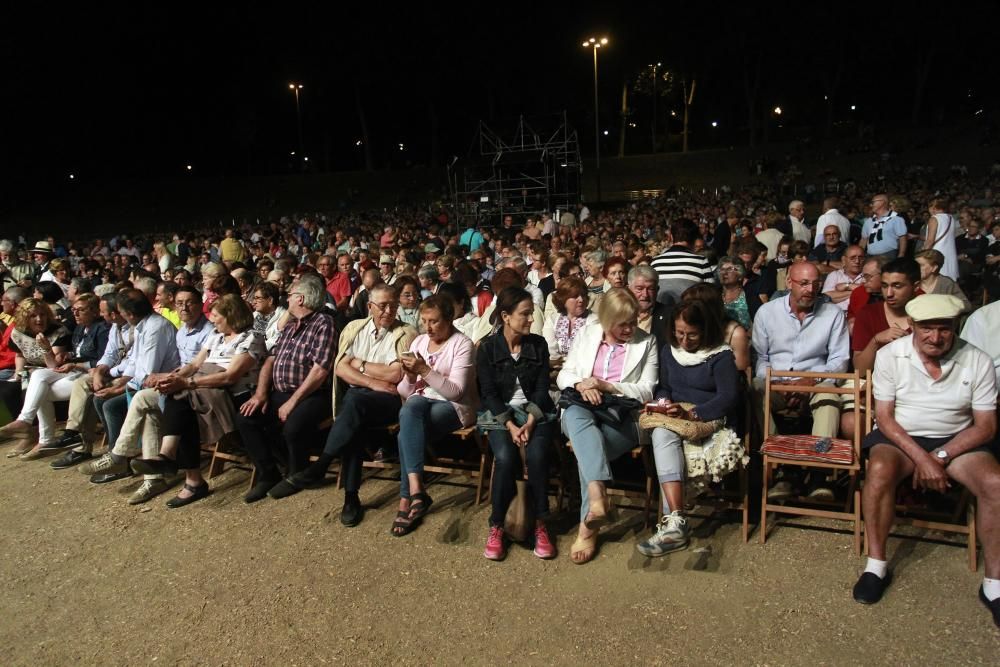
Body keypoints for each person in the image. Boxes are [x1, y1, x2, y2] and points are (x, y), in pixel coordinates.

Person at [853, 294, 1000, 628]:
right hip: (901, 437)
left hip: (957, 439)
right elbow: (885, 419)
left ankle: (995, 584)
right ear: (913, 327)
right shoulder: (892, 355)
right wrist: (923, 459)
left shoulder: (977, 360)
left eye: (944, 329)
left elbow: (986, 426)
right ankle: (876, 565)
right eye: (928, 329)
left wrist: (940, 456)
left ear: (956, 327)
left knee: (996, 483)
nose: (936, 337)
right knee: (878, 471)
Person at [264, 284, 414, 519]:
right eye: (383, 306)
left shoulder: (406, 332)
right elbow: (340, 367)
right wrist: (371, 380)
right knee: (355, 417)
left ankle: (324, 469)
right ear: (369, 307)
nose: (388, 311)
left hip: (391, 401)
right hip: (364, 397)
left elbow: (395, 375)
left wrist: (359, 364)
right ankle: (349, 498)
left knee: (353, 405)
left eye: (393, 306)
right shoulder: (355, 328)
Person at [130, 294, 265, 507]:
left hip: (230, 393)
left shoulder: (251, 338)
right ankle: (177, 466)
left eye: (217, 318)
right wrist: (176, 377)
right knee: (179, 400)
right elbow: (194, 365)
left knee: (180, 400)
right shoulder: (215, 335)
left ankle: (185, 473)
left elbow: (230, 376)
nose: (213, 321)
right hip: (201, 386)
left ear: (232, 316)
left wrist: (186, 383)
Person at [557, 288, 658, 564]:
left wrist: (606, 385)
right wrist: (581, 384)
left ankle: (591, 513)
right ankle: (593, 507)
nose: (630, 328)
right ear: (606, 321)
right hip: (583, 408)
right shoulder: (588, 334)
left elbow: (647, 389)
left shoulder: (646, 342)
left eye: (633, 321)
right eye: (623, 323)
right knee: (577, 416)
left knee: (588, 446)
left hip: (621, 416)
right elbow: (565, 374)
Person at [637, 299, 740, 556]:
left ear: (706, 330)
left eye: (692, 334)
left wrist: (694, 413)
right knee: (662, 431)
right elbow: (664, 387)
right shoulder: (669, 352)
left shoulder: (720, 356)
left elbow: (728, 397)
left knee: (663, 436)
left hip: (708, 417)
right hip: (677, 414)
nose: (684, 340)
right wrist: (663, 403)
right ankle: (676, 521)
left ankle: (673, 525)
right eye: (679, 333)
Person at [752, 262, 850, 500]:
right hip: (778, 382)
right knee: (755, 388)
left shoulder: (833, 314)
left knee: (829, 395)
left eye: (815, 284)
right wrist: (779, 383)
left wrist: (810, 382)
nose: (810, 289)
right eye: (803, 283)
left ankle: (818, 472)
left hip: (817, 382)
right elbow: (761, 358)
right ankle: (783, 463)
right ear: (789, 283)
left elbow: (839, 360)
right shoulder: (767, 312)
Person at [477, 287, 558, 560]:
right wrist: (511, 425)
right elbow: (488, 394)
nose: (530, 320)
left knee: (537, 455)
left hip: (535, 412)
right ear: (505, 316)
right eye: (524, 314)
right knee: (505, 456)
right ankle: (497, 523)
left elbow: (541, 389)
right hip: (501, 415)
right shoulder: (487, 348)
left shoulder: (538, 345)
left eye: (531, 314)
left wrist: (532, 420)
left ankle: (539, 523)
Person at [236, 274, 337, 494]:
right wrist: (261, 394)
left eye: (289, 296)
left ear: (300, 299)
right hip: (280, 392)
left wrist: (292, 402)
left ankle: (297, 474)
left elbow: (320, 370)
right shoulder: (290, 326)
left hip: (313, 395)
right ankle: (268, 472)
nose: (286, 300)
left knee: (293, 426)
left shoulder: (323, 323)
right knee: (246, 418)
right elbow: (270, 359)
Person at [391, 294, 477, 536]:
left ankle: (407, 499)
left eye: (434, 321)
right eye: (424, 321)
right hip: (420, 405)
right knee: (410, 408)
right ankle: (417, 493)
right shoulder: (419, 342)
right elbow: (406, 392)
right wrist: (409, 375)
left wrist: (424, 370)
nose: (428, 327)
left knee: (404, 434)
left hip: (454, 407)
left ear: (449, 319)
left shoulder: (462, 344)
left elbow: (456, 392)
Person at [75, 289, 181, 484]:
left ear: (130, 314)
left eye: (122, 312)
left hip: (165, 386)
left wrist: (118, 388)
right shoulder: (142, 326)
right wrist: (113, 377)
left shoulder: (155, 328)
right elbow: (133, 362)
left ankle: (119, 457)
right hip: (148, 386)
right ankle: (145, 474)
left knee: (112, 405)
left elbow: (148, 372)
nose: (121, 316)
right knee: (106, 401)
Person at [8, 294, 110, 459]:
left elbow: (105, 360)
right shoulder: (79, 329)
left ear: (94, 312)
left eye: (80, 310)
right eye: (74, 310)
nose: (75, 314)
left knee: (38, 386)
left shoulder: (102, 329)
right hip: (68, 372)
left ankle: (35, 430)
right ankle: (39, 434)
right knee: (38, 382)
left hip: (88, 374)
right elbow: (71, 356)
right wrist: (68, 356)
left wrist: (71, 362)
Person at [0, 299, 73, 453]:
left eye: (42, 315)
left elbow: (55, 365)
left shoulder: (59, 331)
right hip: (32, 370)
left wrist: (46, 348)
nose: (39, 319)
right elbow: (20, 354)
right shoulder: (18, 332)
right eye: (33, 316)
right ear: (25, 318)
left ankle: (27, 426)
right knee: (8, 389)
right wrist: (18, 372)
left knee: (35, 383)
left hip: (57, 371)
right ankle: (28, 433)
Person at [650, 219, 714, 302]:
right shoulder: (701, 262)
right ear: (694, 239)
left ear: (671, 237)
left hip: (661, 313)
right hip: (691, 313)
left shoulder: (655, 262)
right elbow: (711, 296)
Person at [542, 276, 596, 362]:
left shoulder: (594, 320)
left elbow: (588, 352)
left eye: (583, 295)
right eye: (575, 296)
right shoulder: (552, 319)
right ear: (563, 299)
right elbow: (550, 351)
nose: (581, 300)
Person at [628, 265, 672, 353]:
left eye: (650, 289)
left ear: (657, 290)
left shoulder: (670, 316)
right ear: (628, 289)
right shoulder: (619, 314)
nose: (645, 295)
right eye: (639, 289)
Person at [861, 193, 908, 261]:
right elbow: (863, 239)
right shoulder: (869, 221)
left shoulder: (896, 219)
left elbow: (903, 238)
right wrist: (860, 255)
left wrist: (901, 255)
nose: (870, 205)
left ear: (882, 202)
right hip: (870, 256)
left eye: (873, 202)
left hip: (889, 255)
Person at [922, 198, 959, 280]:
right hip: (950, 253)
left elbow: (930, 240)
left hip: (936, 252)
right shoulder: (951, 218)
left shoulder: (934, 219)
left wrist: (923, 254)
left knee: (936, 278)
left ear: (933, 208)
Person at [822, 245, 866, 311]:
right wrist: (854, 290)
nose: (857, 261)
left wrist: (846, 287)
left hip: (860, 314)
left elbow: (869, 295)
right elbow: (826, 298)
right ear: (844, 260)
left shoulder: (868, 276)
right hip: (836, 315)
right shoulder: (834, 275)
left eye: (861, 258)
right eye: (852, 258)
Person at [250, 281, 288, 352]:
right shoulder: (254, 315)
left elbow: (274, 342)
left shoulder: (283, 318)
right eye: (254, 298)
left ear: (270, 300)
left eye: (258, 298)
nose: (254, 302)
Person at [715, 256, 751, 330]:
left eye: (729, 269)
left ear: (740, 275)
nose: (724, 273)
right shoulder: (715, 295)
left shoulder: (749, 295)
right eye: (722, 269)